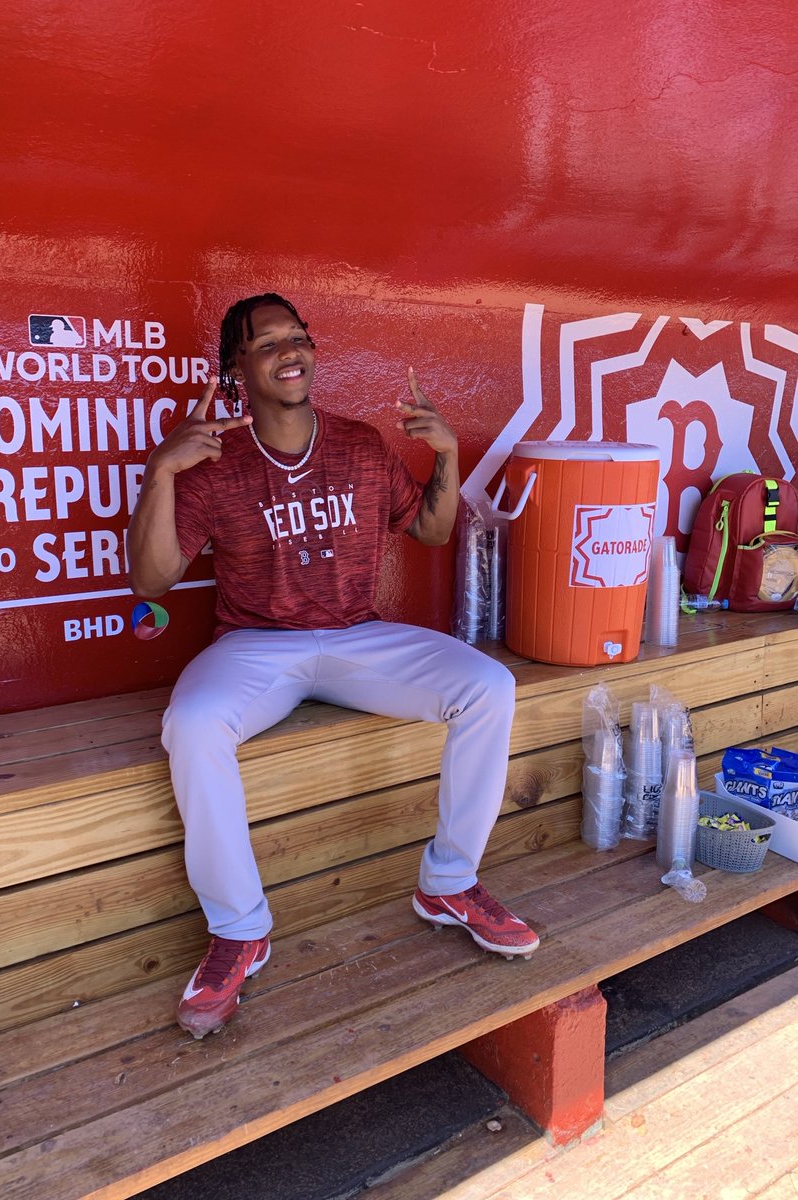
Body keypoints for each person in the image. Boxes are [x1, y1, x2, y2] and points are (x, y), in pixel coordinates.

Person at [127, 293, 539, 1040]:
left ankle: (449, 883)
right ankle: (239, 929)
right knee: (191, 723)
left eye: (299, 337)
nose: (291, 352)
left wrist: (445, 453)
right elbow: (151, 581)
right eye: (268, 344)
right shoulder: (213, 463)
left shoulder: (359, 444)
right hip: (256, 645)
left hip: (357, 637)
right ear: (235, 371)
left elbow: (431, 530)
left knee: (488, 685)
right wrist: (162, 471)